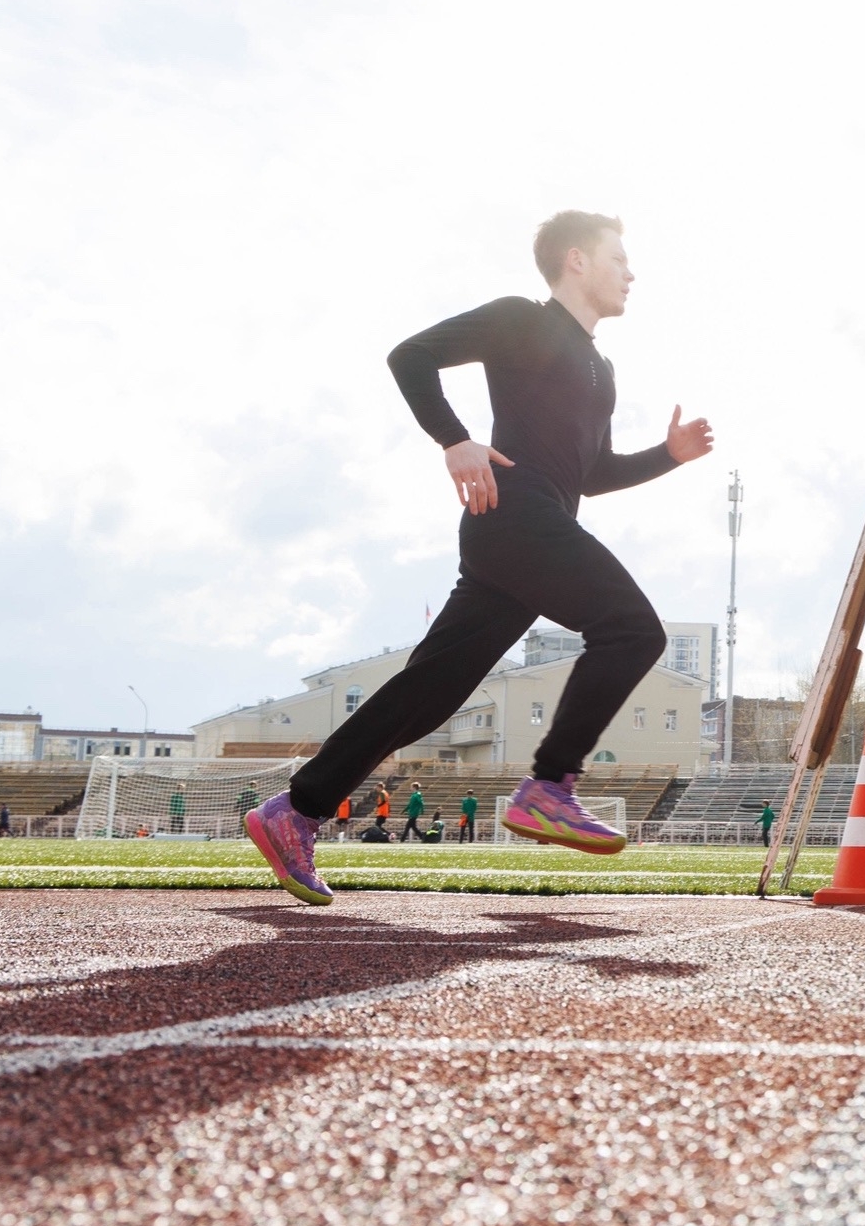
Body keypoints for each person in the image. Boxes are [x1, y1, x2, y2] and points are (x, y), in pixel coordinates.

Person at [244, 210, 714, 906]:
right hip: (515, 515)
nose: (631, 273)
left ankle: (296, 810)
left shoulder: (601, 368)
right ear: (577, 260)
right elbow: (409, 356)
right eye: (619, 259)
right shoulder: (520, 319)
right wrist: (454, 439)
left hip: (527, 530)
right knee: (633, 629)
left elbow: (591, 473)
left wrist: (666, 456)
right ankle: (550, 785)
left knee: (430, 692)